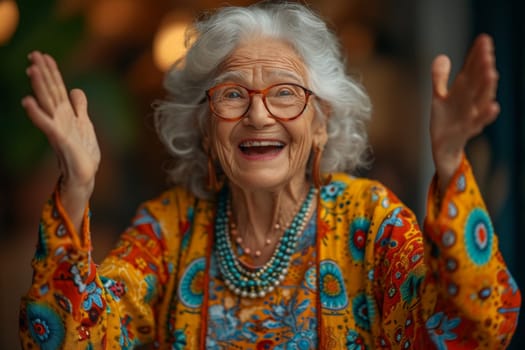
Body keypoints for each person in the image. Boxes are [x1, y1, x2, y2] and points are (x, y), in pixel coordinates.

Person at [18, 2, 521, 349]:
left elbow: (475, 330)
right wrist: (77, 191)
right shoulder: (168, 229)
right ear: (205, 126)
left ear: (320, 124)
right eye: (233, 94)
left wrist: (451, 163)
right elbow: (68, 339)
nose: (259, 116)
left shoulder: (371, 220)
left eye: (285, 93)